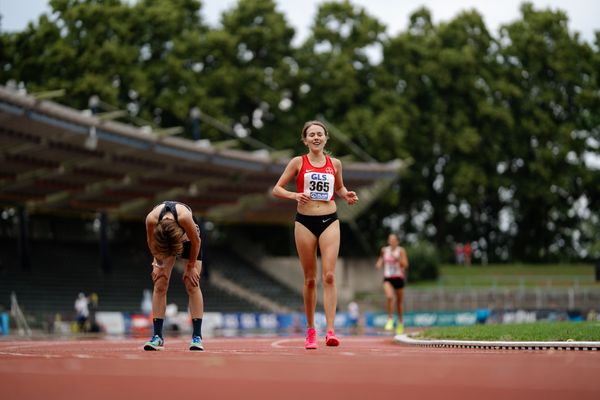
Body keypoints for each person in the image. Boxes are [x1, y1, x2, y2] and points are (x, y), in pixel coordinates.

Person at [272, 120, 359, 349]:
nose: (316, 137)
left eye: (320, 134)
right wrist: (295, 196)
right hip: (305, 222)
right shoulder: (298, 162)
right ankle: (311, 331)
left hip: (330, 219)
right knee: (310, 279)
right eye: (312, 135)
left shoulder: (335, 164)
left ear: (326, 137)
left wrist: (346, 194)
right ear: (305, 139)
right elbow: (277, 188)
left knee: (329, 276)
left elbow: (338, 188)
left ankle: (330, 331)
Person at [144, 201, 205, 351]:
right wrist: (158, 263)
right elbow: (151, 243)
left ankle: (197, 336)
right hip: (164, 241)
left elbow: (197, 242)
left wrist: (190, 267)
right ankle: (157, 336)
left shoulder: (185, 218)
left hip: (190, 241)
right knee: (160, 282)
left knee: (192, 283)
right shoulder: (151, 219)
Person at [375, 233, 409, 335]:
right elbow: (381, 258)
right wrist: (379, 264)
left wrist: (397, 259)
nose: (392, 241)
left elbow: (405, 264)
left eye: (394, 240)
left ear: (397, 241)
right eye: (390, 239)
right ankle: (390, 319)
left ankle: (400, 322)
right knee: (389, 297)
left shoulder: (401, 250)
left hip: (399, 278)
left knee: (399, 303)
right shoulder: (384, 250)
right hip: (388, 278)